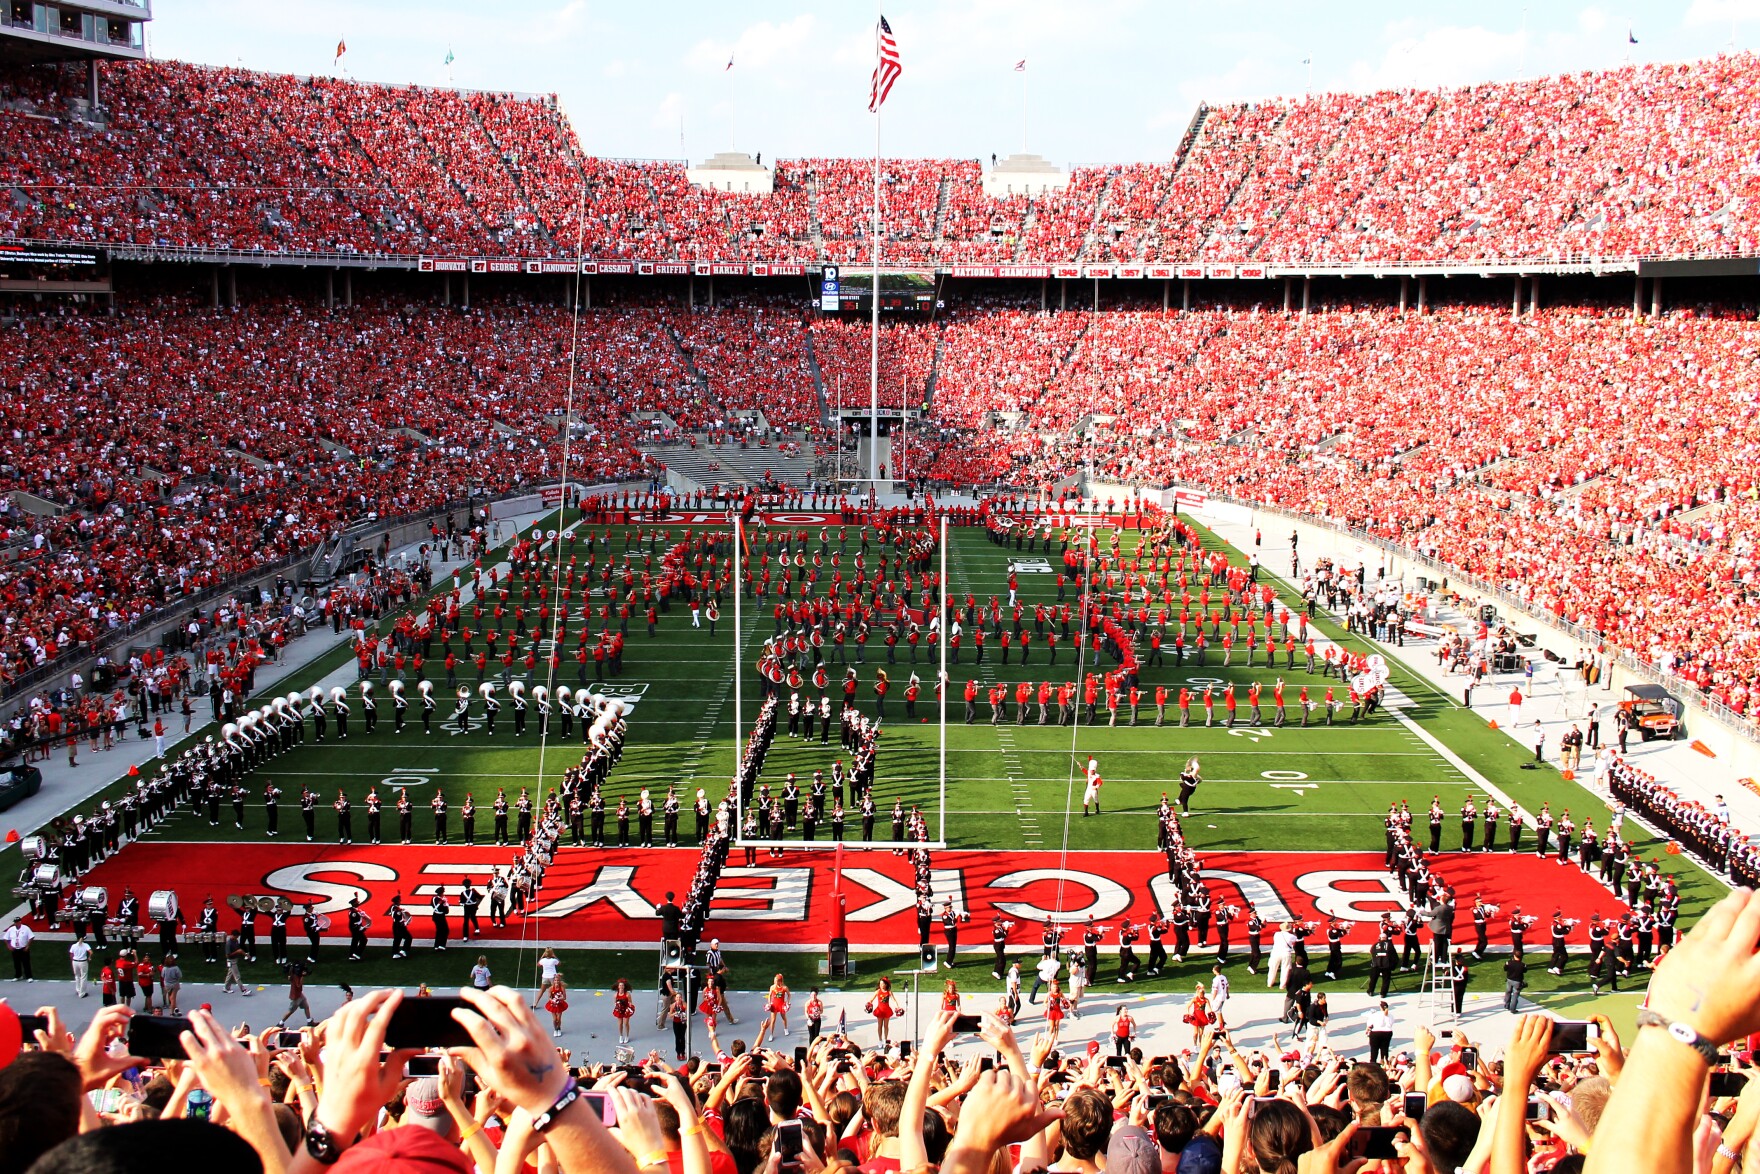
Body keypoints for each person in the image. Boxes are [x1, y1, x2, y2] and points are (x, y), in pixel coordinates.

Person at [867, 976, 897, 1046]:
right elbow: (871, 1000)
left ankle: (885, 1040)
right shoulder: (878, 991)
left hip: (887, 1011)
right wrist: (869, 1004)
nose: (881, 985)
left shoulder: (889, 992)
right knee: (879, 1026)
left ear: (886, 984)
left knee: (886, 1026)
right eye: (880, 984)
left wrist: (897, 1007)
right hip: (879, 1010)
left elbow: (894, 1000)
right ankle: (880, 1040)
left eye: (882, 984)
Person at [612, 977, 635, 1045]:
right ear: (618, 987)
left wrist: (628, 1009)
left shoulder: (627, 994)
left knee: (626, 1023)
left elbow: (630, 1003)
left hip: (626, 1010)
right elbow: (615, 1003)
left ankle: (627, 1036)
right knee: (620, 1024)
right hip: (619, 1010)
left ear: (624, 986)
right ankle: (621, 1036)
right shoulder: (615, 995)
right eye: (620, 985)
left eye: (622, 985)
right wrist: (618, 1006)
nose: (621, 987)